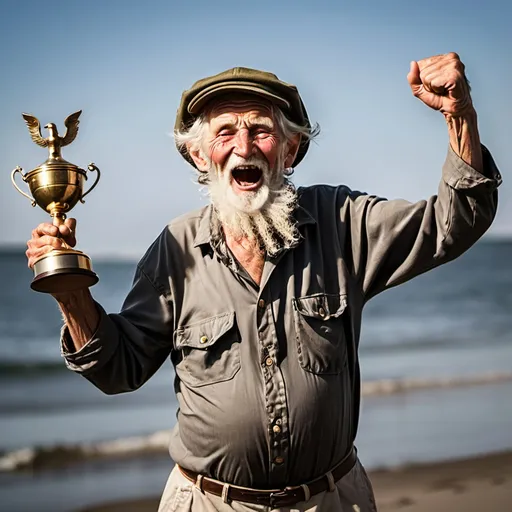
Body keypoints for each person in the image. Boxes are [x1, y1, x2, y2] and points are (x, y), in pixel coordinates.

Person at [26, 53, 501, 512]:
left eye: (261, 130)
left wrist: (460, 116)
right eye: (225, 131)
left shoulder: (341, 223)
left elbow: (454, 221)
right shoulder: (173, 249)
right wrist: (71, 294)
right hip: (208, 503)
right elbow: (117, 369)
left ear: (291, 148)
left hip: (332, 499)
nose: (244, 146)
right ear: (198, 154)